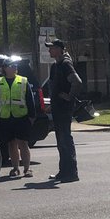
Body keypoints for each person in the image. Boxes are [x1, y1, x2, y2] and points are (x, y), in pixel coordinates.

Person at [43, 38, 80, 182]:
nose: (49, 50)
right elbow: (55, 88)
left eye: (52, 48)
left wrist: (69, 97)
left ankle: (71, 173)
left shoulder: (65, 64)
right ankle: (63, 171)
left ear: (60, 49)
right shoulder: (56, 66)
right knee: (60, 141)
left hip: (64, 109)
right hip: (57, 108)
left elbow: (77, 82)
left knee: (65, 140)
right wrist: (52, 104)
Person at [0, 56, 36, 178]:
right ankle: (15, 168)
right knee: (11, 144)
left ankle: (27, 169)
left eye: (16, 66)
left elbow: (30, 99)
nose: (15, 68)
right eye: (12, 66)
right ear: (5, 68)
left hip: (21, 117)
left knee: (23, 143)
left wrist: (32, 116)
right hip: (6, 118)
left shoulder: (23, 81)